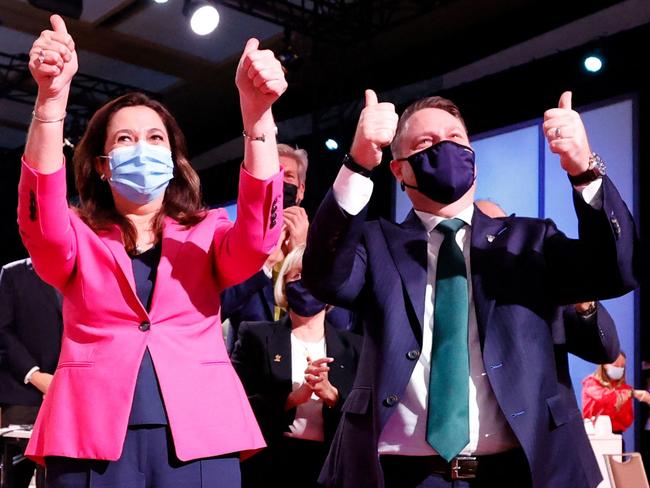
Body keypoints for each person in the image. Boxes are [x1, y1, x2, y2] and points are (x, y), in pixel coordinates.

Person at [302, 89, 638, 488]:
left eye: (455, 139)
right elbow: (324, 276)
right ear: (398, 170)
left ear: (473, 163)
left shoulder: (530, 240)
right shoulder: (376, 243)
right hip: (397, 474)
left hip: (521, 471)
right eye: (426, 143)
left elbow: (615, 271)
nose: (443, 147)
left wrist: (584, 170)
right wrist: (356, 165)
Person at [18, 14, 286, 487]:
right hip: (88, 434)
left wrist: (257, 116)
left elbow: (258, 238)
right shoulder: (76, 233)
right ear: (103, 165)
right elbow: (39, 217)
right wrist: (50, 101)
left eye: (155, 138)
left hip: (201, 433)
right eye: (125, 139)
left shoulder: (209, 230)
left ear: (173, 158)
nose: (142, 147)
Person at [230, 245, 361, 488]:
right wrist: (292, 398)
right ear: (284, 286)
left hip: (332, 468)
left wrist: (331, 395)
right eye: (298, 276)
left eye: (315, 275)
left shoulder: (355, 347)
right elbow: (237, 404)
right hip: (270, 466)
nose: (306, 282)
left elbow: (366, 417)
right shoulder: (255, 336)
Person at [221, 145, 356, 351]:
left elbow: (341, 324)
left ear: (301, 189)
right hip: (251, 371)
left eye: (289, 176)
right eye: (275, 175)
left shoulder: (325, 249)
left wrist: (304, 254)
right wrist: (265, 264)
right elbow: (217, 309)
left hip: (310, 371)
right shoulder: (239, 244)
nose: (282, 183)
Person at [0, 258, 63, 488]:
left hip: (75, 397)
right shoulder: (13, 274)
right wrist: (37, 377)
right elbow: (3, 331)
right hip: (25, 394)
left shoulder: (89, 270)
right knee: (17, 475)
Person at [582, 352, 650, 436]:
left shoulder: (625, 388)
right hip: (593, 434)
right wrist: (630, 393)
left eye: (622, 366)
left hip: (616, 434)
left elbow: (627, 420)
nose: (619, 368)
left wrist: (619, 408)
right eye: (616, 365)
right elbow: (603, 396)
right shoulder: (591, 382)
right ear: (604, 364)